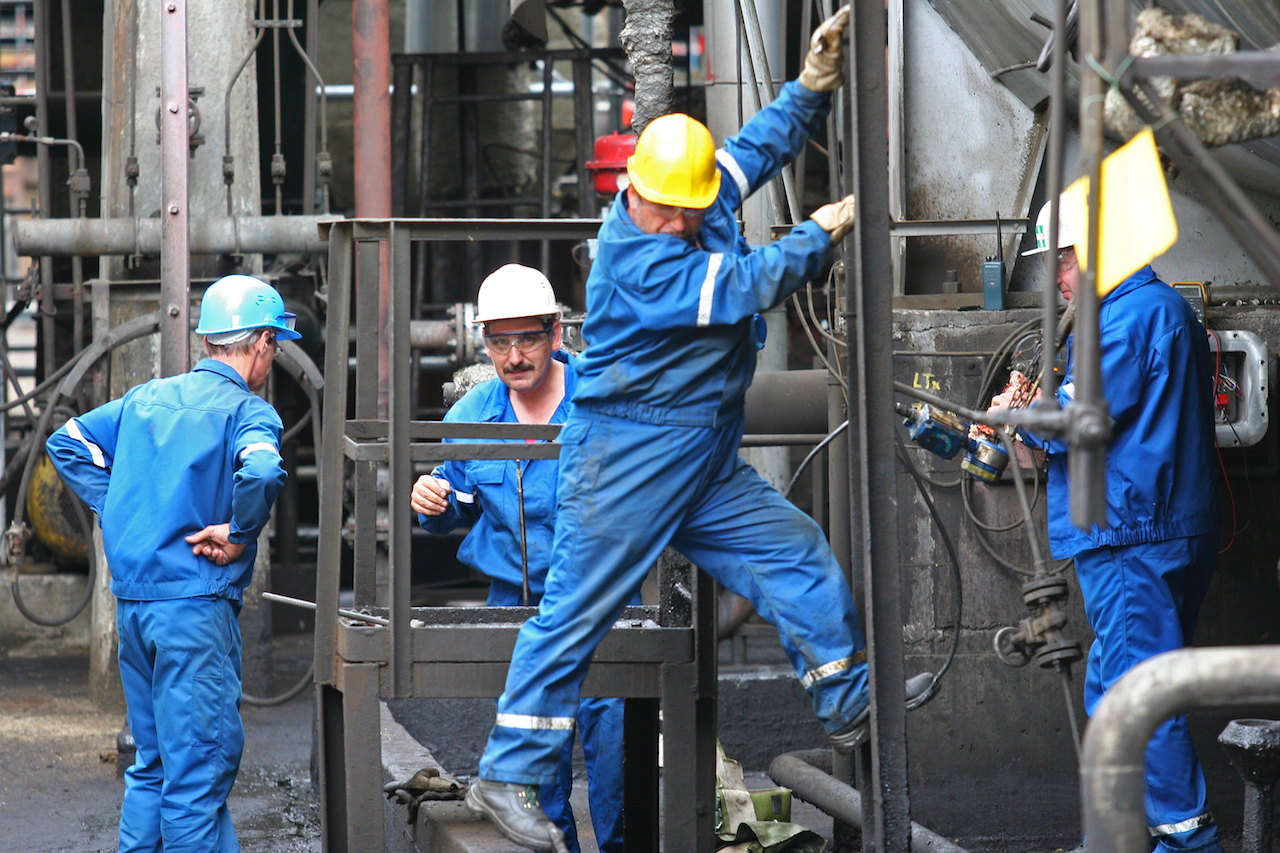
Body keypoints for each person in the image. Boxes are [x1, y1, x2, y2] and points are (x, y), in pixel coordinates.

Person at [464, 8, 926, 851]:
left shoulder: (691, 187)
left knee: (794, 552)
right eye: (668, 210)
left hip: (701, 450)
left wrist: (811, 87)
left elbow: (751, 151)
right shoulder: (636, 262)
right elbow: (752, 282)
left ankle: (848, 702)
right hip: (629, 455)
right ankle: (508, 771)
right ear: (631, 189)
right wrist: (817, 237)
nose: (681, 221)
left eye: (690, 208)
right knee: (573, 614)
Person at [997, 200, 1223, 853]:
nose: (1059, 278)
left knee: (1139, 698)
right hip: (1162, 526)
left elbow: (1076, 420)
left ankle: (1185, 844)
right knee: (1117, 688)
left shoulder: (1125, 320)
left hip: (1132, 535)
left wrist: (1012, 416)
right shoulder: (1158, 309)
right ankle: (1119, 837)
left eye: (1064, 259)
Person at [46, 274, 299, 853]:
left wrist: (118, 503)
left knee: (152, 767)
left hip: (136, 611)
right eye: (275, 344)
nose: (274, 356)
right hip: (193, 616)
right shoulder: (248, 412)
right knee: (196, 778)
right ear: (261, 341)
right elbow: (260, 472)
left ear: (210, 339)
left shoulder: (144, 399)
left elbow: (67, 439)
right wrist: (238, 533)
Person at [412, 264, 627, 853]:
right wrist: (430, 502)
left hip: (604, 597)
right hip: (518, 605)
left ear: (556, 335)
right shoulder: (470, 417)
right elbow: (455, 503)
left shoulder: (604, 399)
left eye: (527, 338)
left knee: (615, 748)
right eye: (499, 341)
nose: (514, 355)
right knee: (537, 762)